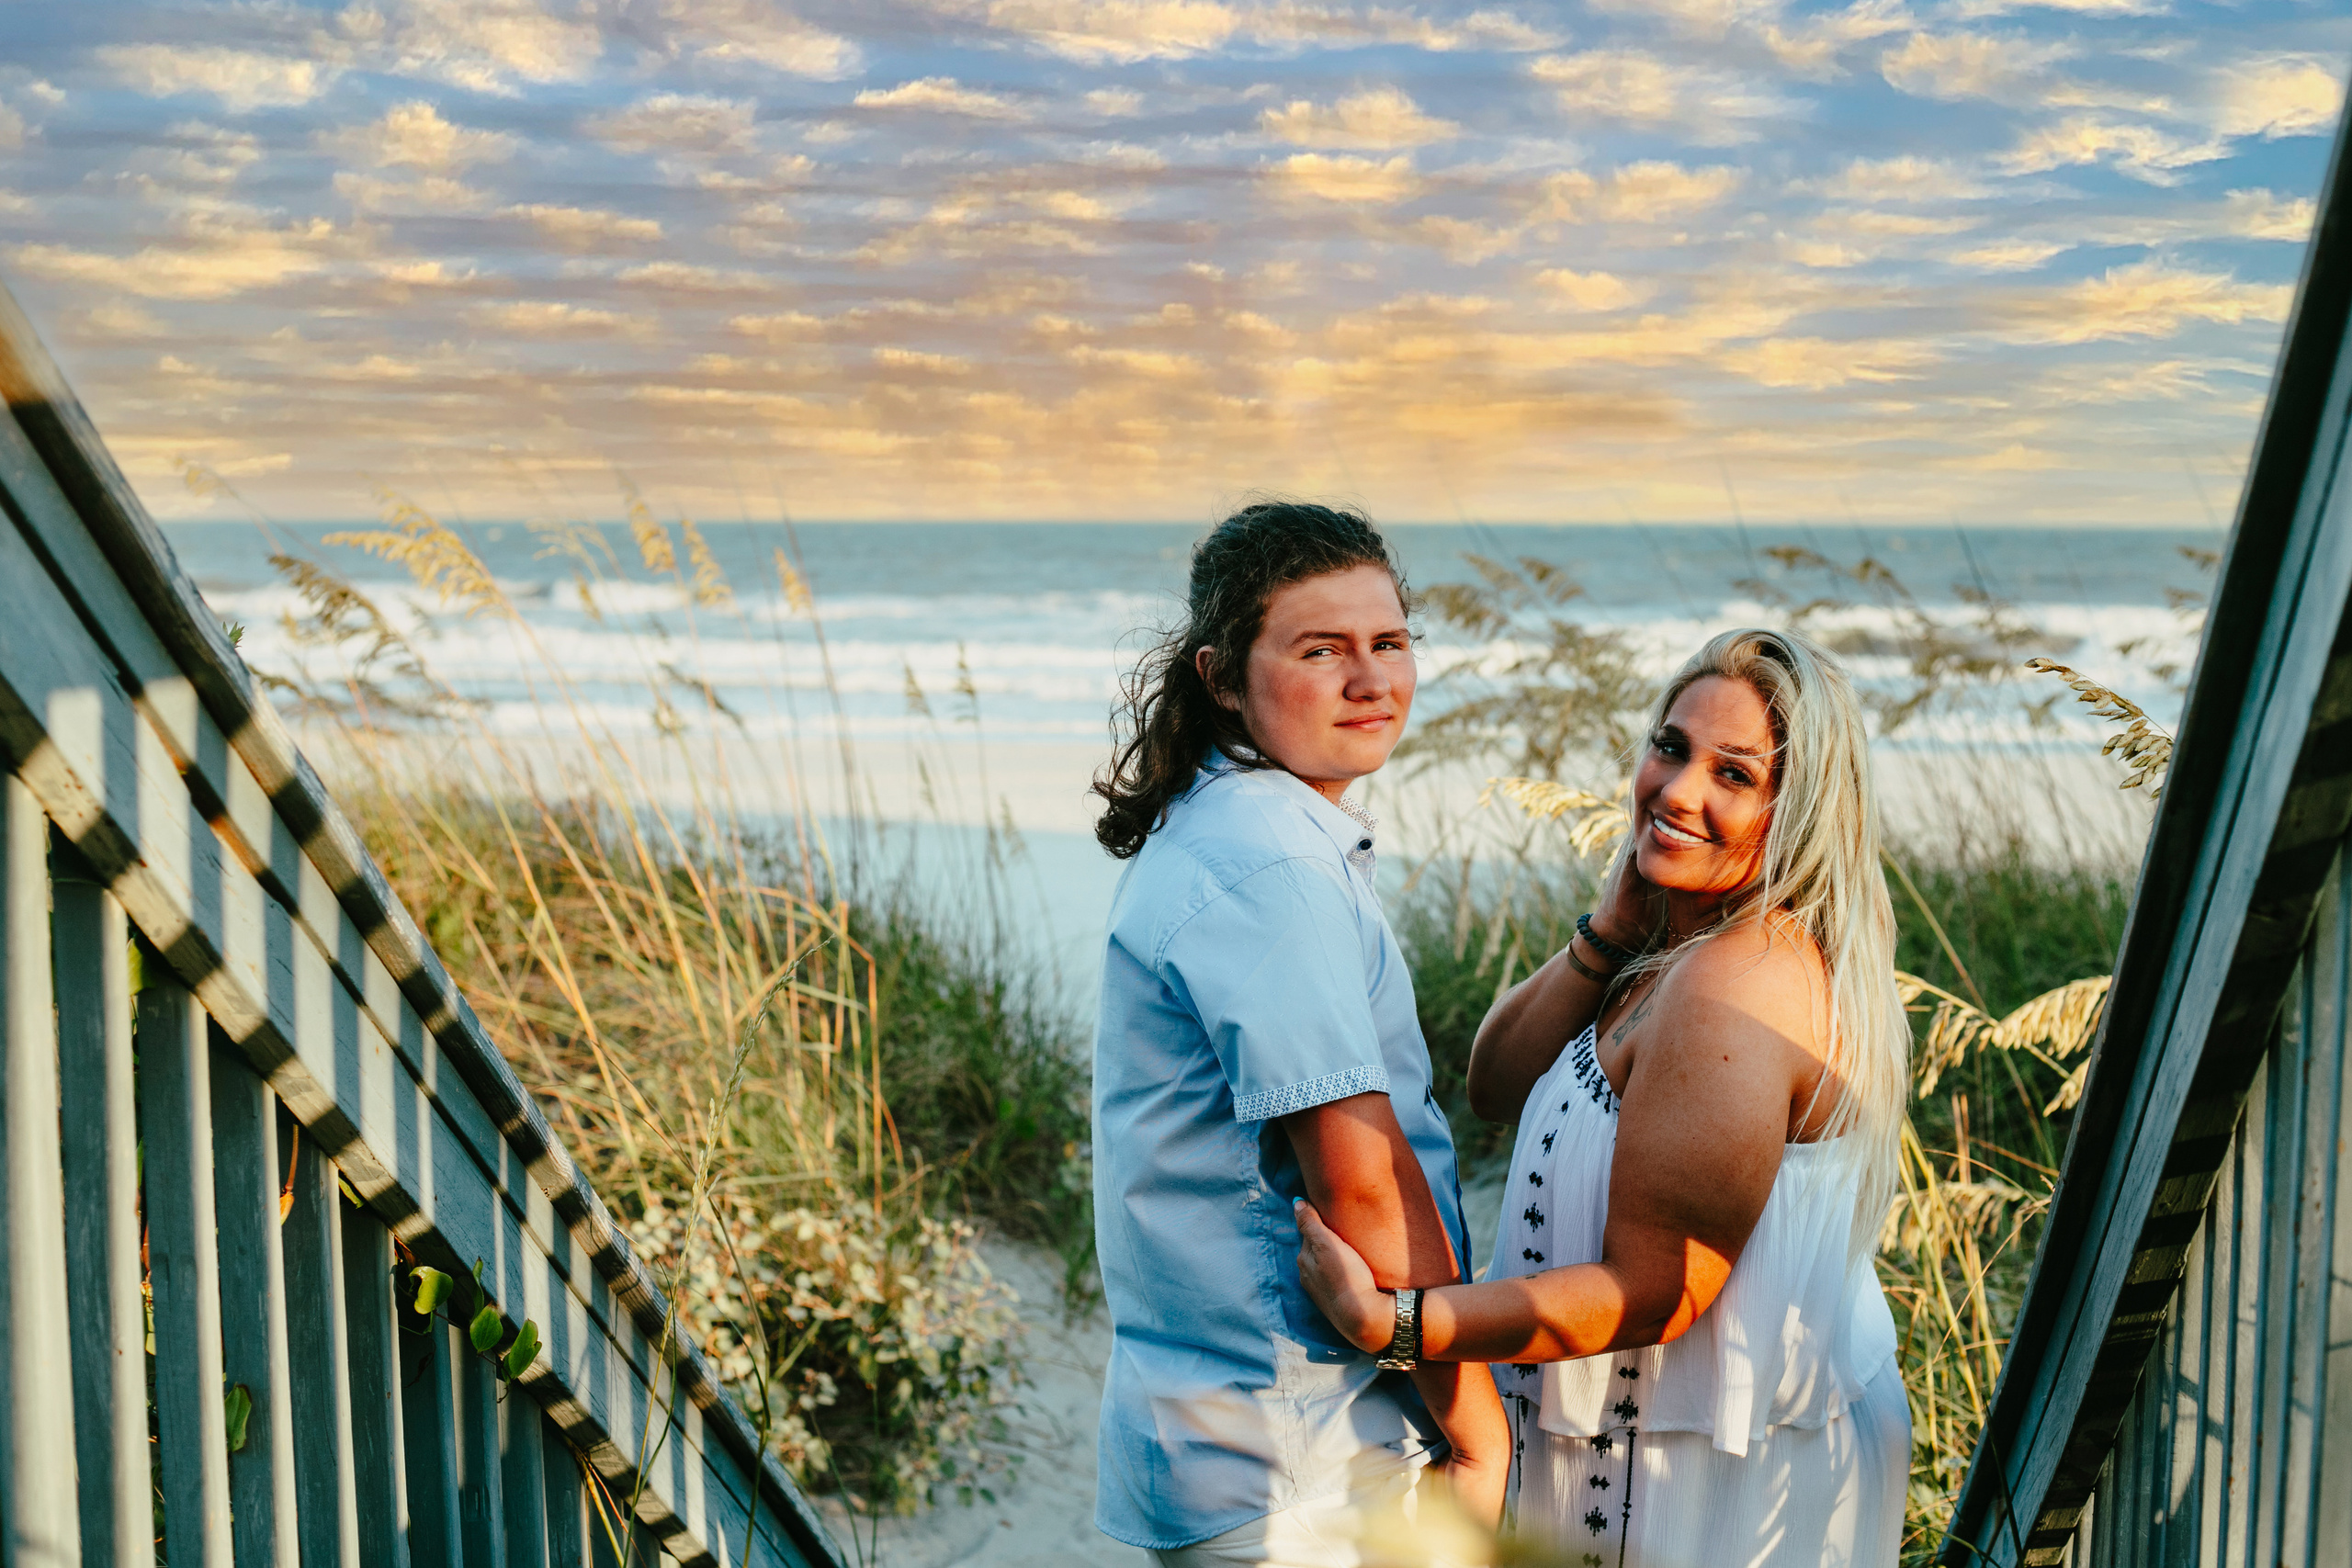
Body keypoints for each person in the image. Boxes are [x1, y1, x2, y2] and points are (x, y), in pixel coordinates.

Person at [1294, 626, 1911, 1566]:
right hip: (1620, 1441)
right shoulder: (1668, 948)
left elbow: (1652, 1291)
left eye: (1734, 775)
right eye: (1670, 748)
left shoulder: (1734, 985)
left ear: (1799, 812)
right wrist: (1610, 931)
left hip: (1688, 1481)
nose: (1678, 791)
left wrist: (1400, 1328)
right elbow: (1494, 1083)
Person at [1088, 501, 1509, 1566]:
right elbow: (1360, 1179)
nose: (1371, 680)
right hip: (1299, 1468)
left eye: (1390, 642)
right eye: (1321, 649)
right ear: (1221, 676)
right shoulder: (1271, 859)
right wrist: (1474, 1429)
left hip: (1240, 1440)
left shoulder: (1234, 821)